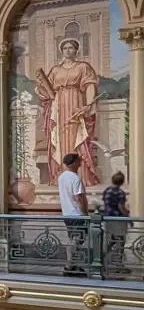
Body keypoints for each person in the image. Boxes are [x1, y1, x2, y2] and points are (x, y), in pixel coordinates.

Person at [36, 38, 99, 185]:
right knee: (60, 137)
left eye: (70, 47)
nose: (67, 50)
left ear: (76, 50)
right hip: (59, 108)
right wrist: (40, 86)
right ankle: (62, 175)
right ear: (61, 51)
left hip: (76, 103)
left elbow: (90, 86)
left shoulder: (83, 67)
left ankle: (81, 176)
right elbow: (47, 91)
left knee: (76, 136)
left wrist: (88, 105)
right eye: (65, 48)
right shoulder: (55, 70)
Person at [57, 150, 89, 274]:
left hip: (67, 213)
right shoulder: (75, 178)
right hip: (77, 214)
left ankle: (73, 265)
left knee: (73, 238)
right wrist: (85, 214)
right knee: (77, 239)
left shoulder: (62, 177)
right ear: (73, 163)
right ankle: (69, 265)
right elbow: (78, 198)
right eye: (78, 161)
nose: (80, 163)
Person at [102, 170, 129, 277]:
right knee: (121, 242)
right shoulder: (120, 193)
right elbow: (121, 207)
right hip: (118, 219)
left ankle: (101, 260)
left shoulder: (107, 190)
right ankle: (118, 265)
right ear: (122, 181)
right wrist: (128, 217)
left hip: (108, 218)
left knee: (111, 241)